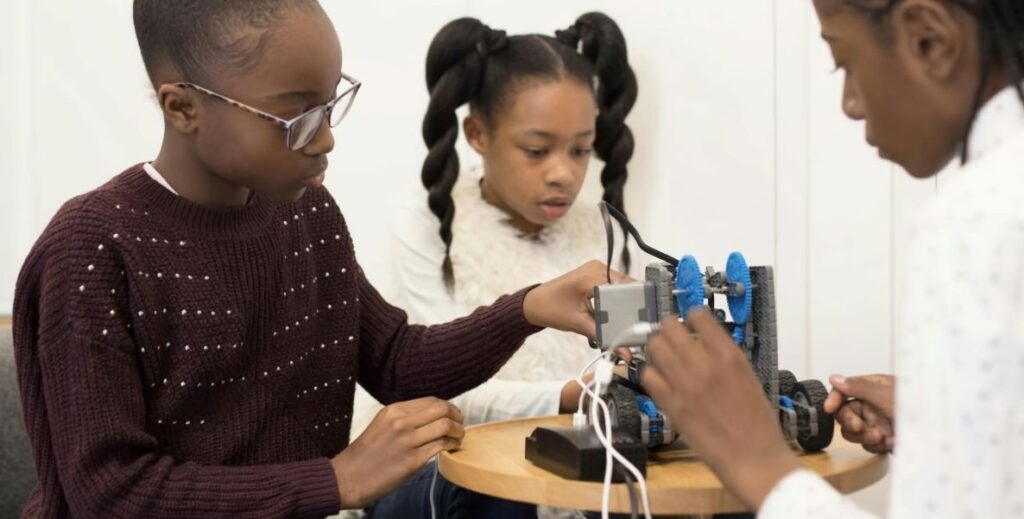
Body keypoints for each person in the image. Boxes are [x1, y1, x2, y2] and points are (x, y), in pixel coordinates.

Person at [10, 1, 619, 516]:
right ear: (183, 108)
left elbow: (394, 360)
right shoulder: (90, 250)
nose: (326, 137)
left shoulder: (305, 211)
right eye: (298, 116)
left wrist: (530, 308)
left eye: (331, 104)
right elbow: (111, 493)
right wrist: (339, 480)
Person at [641, 0, 1024, 517]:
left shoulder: (976, 219)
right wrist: (952, 423)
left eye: (844, 62)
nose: (849, 104)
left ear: (929, 39)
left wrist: (759, 465)